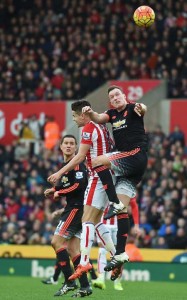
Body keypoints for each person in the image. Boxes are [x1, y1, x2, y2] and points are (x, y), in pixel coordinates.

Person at [48, 100, 117, 280]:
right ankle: (115, 256)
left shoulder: (88, 129)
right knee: (95, 222)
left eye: (74, 116)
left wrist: (58, 173)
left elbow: (79, 157)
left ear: (83, 114)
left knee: (87, 220)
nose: (74, 120)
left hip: (97, 177)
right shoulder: (101, 126)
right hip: (108, 176)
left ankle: (85, 261)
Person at [81, 85, 148, 271]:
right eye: (112, 96)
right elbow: (99, 118)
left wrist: (141, 108)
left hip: (134, 155)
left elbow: (143, 108)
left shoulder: (133, 108)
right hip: (133, 170)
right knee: (122, 210)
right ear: (110, 101)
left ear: (124, 96)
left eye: (118, 94)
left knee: (96, 161)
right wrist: (91, 112)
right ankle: (120, 253)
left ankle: (113, 202)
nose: (116, 98)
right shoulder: (111, 114)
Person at [43, 134, 92, 297]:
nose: (69, 146)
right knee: (72, 249)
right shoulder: (66, 165)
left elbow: (78, 186)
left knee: (56, 242)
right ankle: (85, 285)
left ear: (76, 147)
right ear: (61, 146)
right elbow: (70, 186)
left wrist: (59, 191)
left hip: (76, 209)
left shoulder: (77, 165)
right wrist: (56, 191)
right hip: (77, 208)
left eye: (72, 143)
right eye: (66, 143)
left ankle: (69, 282)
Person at [92, 196, 140, 290]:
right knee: (102, 250)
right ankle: (101, 279)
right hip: (104, 223)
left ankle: (118, 281)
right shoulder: (104, 183)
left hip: (119, 225)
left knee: (119, 253)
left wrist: (137, 225)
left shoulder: (123, 184)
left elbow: (134, 205)